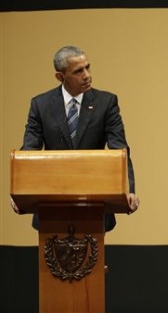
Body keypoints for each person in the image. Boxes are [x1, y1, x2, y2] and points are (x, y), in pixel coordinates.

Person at [11, 45, 139, 231]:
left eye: (88, 67)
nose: (87, 75)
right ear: (60, 77)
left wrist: (129, 189)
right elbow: (29, 149)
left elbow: (119, 149)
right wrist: (19, 191)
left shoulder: (106, 103)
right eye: (78, 71)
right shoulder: (41, 105)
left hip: (94, 201)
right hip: (51, 202)